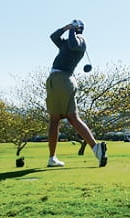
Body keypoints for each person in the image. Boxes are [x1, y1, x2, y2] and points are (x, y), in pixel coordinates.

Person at [45, 19, 107, 168]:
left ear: (79, 29)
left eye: (74, 27)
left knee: (54, 119)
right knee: (73, 118)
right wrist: (66, 28)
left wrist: (73, 30)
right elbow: (53, 37)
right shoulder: (67, 42)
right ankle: (96, 148)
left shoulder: (79, 40)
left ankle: (52, 158)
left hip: (60, 79)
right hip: (66, 81)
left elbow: (73, 44)